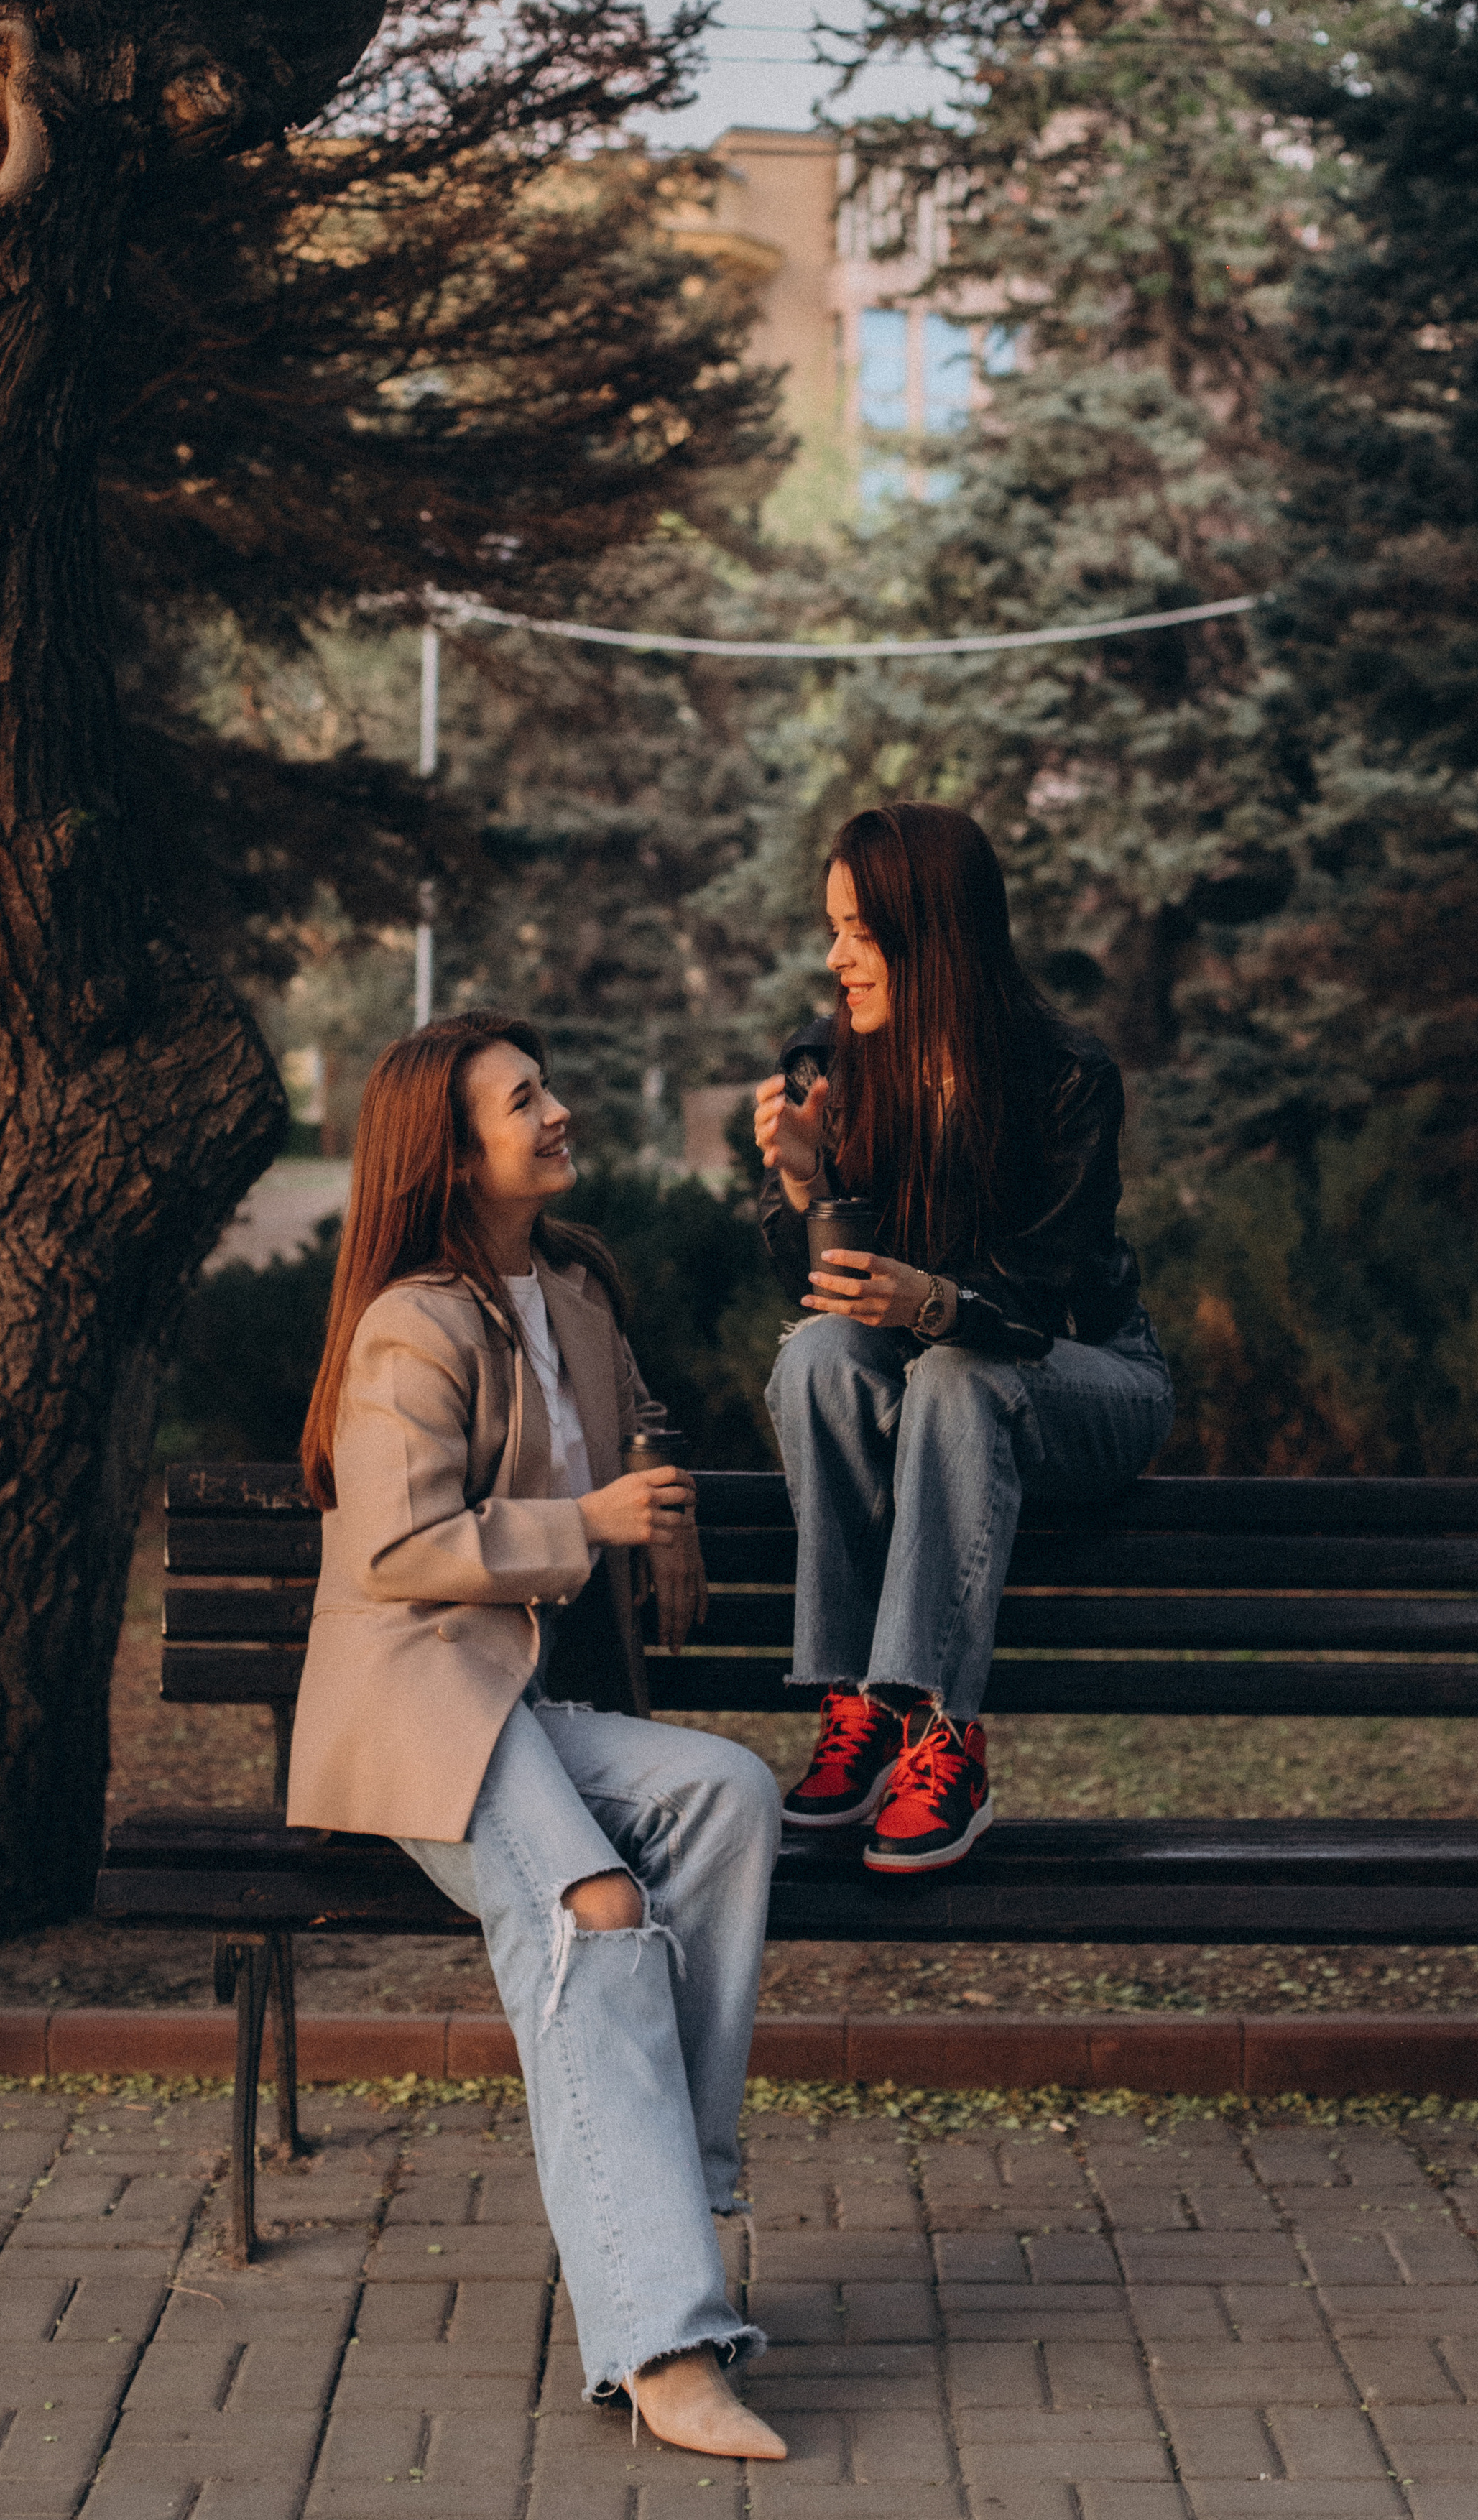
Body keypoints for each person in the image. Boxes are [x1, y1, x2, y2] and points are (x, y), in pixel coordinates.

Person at [288, 1010, 785, 2463]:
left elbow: (631, 1421)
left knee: (728, 1795)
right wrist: (587, 1526)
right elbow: (392, 1546)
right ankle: (663, 2338)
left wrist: (656, 1483)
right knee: (595, 1906)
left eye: (547, 1087)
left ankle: (662, 2199)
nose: (556, 1112)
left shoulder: (570, 1292)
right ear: (451, 1151)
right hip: (417, 1696)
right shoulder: (411, 1322)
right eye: (523, 1101)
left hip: (517, 1696)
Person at [754, 803, 1175, 1875]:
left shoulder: (1066, 1078)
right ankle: (859, 1703)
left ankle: (944, 1731)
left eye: (860, 930)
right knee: (814, 1357)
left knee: (955, 1371)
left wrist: (928, 1301)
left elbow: (1034, 1305)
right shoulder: (832, 1064)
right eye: (834, 927)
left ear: (932, 930)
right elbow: (817, 1298)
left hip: (1088, 1378)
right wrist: (805, 1181)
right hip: (936, 1384)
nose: (837, 957)